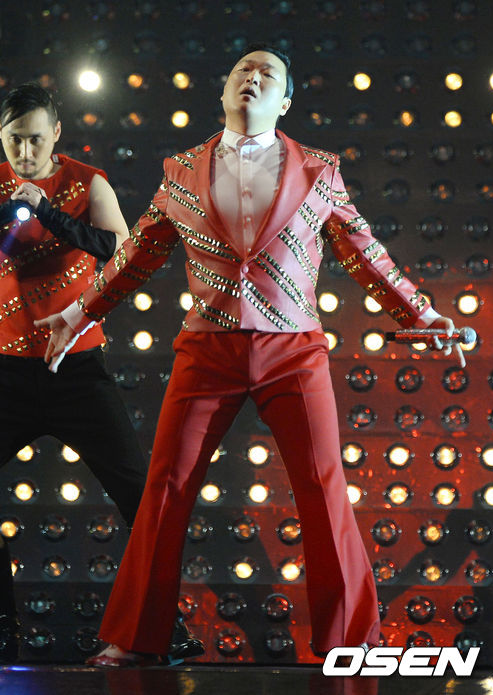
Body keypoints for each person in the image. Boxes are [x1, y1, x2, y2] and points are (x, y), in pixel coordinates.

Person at [35, 44, 463, 668]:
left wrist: (421, 315)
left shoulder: (318, 170)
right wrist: (78, 314)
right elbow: (138, 253)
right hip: (207, 347)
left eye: (268, 74)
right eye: (243, 70)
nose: (253, 79)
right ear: (224, 90)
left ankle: (349, 642)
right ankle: (135, 637)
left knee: (323, 488)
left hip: (293, 347)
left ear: (284, 102)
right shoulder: (182, 169)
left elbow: (363, 251)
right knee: (165, 487)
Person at [0, 83, 203, 664]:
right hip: (7, 373)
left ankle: (163, 629)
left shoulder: (86, 183)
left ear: (56, 134)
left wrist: (45, 211)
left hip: (78, 371)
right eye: (14, 141)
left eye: (36, 139)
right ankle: (3, 629)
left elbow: (119, 249)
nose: (26, 152)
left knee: (141, 496)